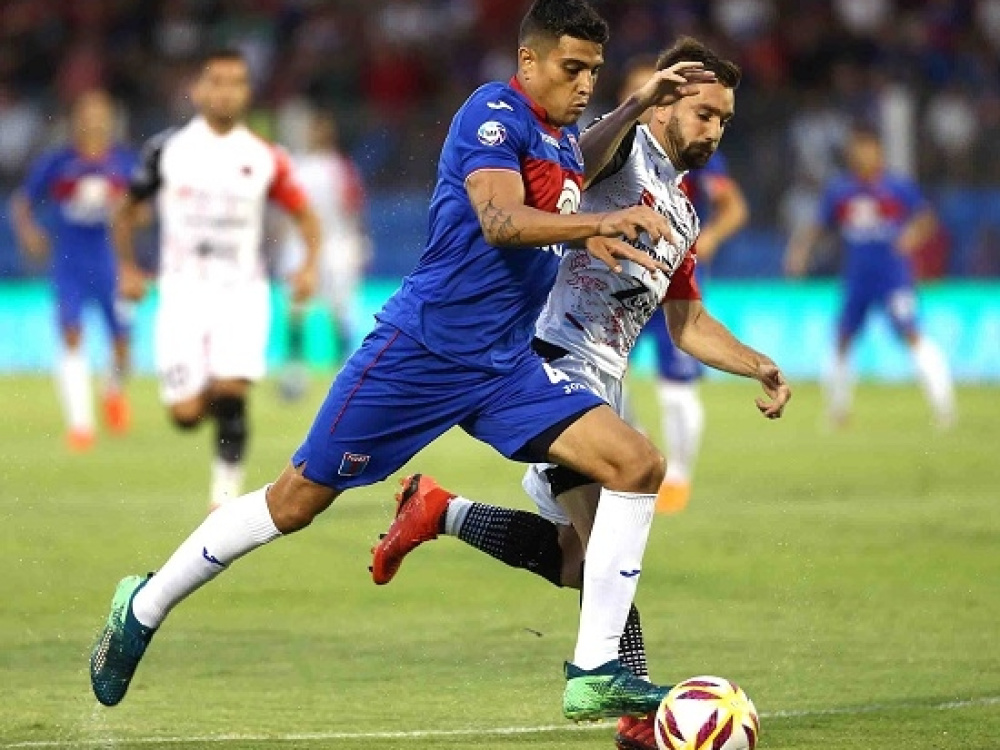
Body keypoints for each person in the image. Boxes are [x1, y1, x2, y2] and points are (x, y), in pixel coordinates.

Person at [90, 0, 713, 721]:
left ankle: (596, 671)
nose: (584, 85)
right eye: (572, 69)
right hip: (420, 353)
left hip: (505, 367)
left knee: (636, 463)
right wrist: (597, 220)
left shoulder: (560, 136)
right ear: (528, 61)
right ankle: (145, 603)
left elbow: (583, 160)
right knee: (294, 502)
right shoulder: (494, 114)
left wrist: (634, 105)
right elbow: (499, 219)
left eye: (594, 73)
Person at [370, 37, 788, 750]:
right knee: (606, 557)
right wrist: (632, 107)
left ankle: (439, 511)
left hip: (604, 383)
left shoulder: (682, 212)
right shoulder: (619, 154)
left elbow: (686, 323)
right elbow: (571, 170)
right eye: (704, 112)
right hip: (548, 367)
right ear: (667, 104)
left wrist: (757, 365)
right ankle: (636, 718)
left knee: (576, 559)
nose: (715, 129)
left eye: (725, 118)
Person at [110, 49, 322, 510]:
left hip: (243, 292)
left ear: (247, 92)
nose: (226, 92)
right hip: (181, 292)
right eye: (217, 81)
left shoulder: (264, 156)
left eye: (236, 82)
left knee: (232, 389)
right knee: (185, 414)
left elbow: (306, 216)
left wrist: (308, 266)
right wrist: (126, 268)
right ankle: (216, 400)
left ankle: (223, 498)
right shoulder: (168, 150)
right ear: (198, 90)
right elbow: (125, 211)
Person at [619, 56, 751, 514]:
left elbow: (734, 207)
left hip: (672, 287)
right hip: (617, 288)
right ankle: (633, 444)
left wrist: (708, 237)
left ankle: (677, 478)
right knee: (601, 377)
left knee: (676, 387)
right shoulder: (613, 149)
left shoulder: (692, 150)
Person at [784, 124, 955, 428]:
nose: (861, 155)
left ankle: (944, 407)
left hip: (893, 278)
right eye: (857, 149)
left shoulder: (897, 187)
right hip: (857, 279)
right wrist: (799, 252)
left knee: (912, 334)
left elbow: (926, 219)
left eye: (867, 148)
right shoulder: (840, 190)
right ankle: (837, 411)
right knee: (842, 339)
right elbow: (818, 226)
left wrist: (911, 237)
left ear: (879, 152)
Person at [11, 89, 137, 452]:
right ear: (76, 120)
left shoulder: (124, 162)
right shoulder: (58, 161)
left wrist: (129, 215)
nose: (93, 121)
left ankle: (112, 390)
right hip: (69, 262)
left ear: (110, 120)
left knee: (121, 343)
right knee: (70, 333)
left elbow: (141, 209)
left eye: (100, 114)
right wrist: (30, 233)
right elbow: (22, 202)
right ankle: (80, 425)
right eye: (87, 113)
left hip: (110, 261)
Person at [278, 109, 371, 400]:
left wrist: (358, 239)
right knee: (296, 309)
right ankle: (294, 374)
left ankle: (345, 374)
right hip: (300, 244)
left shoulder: (340, 167)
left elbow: (353, 206)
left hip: (336, 244)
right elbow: (284, 209)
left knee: (339, 310)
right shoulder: (295, 165)